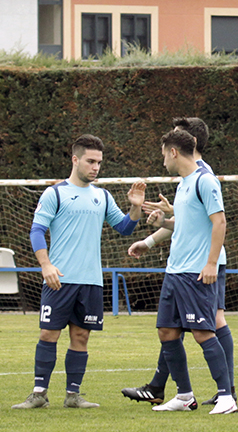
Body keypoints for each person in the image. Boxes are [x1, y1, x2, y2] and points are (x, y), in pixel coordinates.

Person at [13, 135, 145, 410]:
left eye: (99, 162)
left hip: (91, 281)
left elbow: (124, 228)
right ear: (75, 159)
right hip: (59, 279)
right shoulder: (55, 194)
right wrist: (46, 265)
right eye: (90, 161)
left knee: (81, 337)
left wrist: (135, 207)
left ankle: (73, 395)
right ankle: (39, 394)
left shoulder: (102, 196)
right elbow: (37, 230)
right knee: (48, 334)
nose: (96, 167)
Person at [122, 117, 235, 407]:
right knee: (168, 330)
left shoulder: (204, 178)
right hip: (176, 269)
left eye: (166, 150)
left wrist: (211, 263)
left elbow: (218, 221)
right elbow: (186, 222)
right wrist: (160, 225)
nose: (163, 160)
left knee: (207, 327)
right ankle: (181, 395)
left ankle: (227, 393)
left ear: (180, 147)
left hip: (197, 268)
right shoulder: (184, 182)